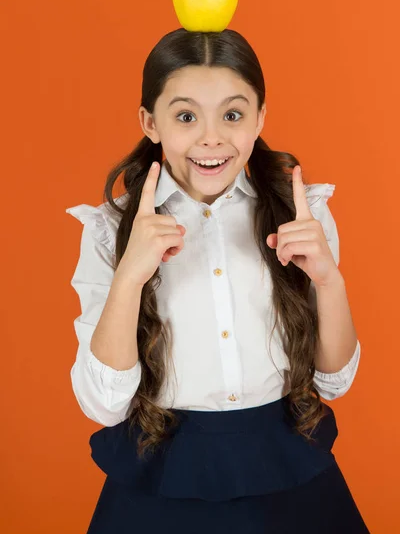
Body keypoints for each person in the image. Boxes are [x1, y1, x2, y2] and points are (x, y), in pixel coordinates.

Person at [66, 27, 370, 533]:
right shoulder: (111, 230)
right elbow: (104, 403)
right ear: (150, 122)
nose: (211, 138)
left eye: (233, 114)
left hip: (286, 474)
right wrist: (129, 277)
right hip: (160, 474)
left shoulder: (300, 216)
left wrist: (329, 281)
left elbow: (335, 381)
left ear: (260, 119)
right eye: (186, 116)